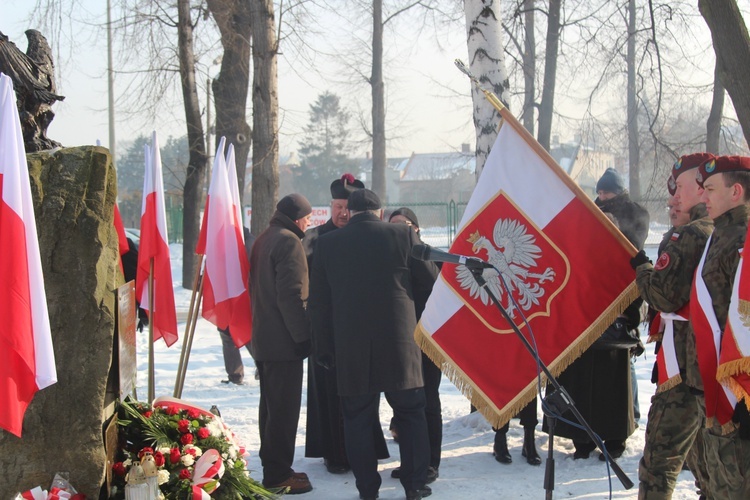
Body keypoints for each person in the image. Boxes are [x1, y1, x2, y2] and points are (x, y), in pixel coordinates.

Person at [309, 189, 437, 500]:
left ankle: (368, 489)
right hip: (399, 343)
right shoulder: (403, 236)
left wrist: (324, 350)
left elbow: (319, 305)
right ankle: (415, 484)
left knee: (357, 420)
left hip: (351, 348)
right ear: (379, 212)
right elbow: (430, 280)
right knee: (411, 415)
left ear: (349, 213)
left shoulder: (326, 244)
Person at [546, 168, 648, 460]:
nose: (602, 197)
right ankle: (583, 435)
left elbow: (632, 255)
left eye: (608, 193)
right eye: (600, 193)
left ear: (619, 191)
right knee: (582, 378)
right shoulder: (589, 211)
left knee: (618, 374)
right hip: (585, 310)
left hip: (618, 308)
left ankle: (620, 430)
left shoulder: (633, 214)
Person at [631, 154, 714, 499]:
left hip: (683, 367)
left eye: (680, 188)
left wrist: (642, 269)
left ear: (701, 188)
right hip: (709, 368)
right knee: (707, 467)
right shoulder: (722, 231)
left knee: (659, 464)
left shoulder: (689, 236)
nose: (672, 199)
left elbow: (663, 296)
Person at [303, 173, 389, 474]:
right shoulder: (313, 238)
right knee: (328, 393)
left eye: (346, 208)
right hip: (326, 331)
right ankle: (334, 453)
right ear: (330, 206)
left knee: (364, 396)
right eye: (337, 207)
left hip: (361, 332)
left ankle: (366, 451)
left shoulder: (368, 236)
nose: (342, 213)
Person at [691, 156, 750, 499]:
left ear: (736, 191)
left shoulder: (741, 239)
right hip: (711, 385)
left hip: (736, 395)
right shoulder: (720, 235)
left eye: (711, 189)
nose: (704, 197)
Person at [249, 194, 314, 494]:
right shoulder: (289, 242)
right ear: (299, 218)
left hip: (264, 339)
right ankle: (277, 475)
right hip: (283, 343)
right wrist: (302, 339)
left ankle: (275, 467)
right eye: (308, 217)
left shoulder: (266, 237)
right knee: (283, 412)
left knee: (272, 409)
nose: (310, 223)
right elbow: (292, 297)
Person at [387, 207, 443, 482]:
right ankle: (410, 462)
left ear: (416, 229)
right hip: (399, 341)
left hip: (427, 339)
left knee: (428, 401)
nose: (398, 230)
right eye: (393, 225)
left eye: (404, 225)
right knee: (404, 406)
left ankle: (431, 462)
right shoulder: (385, 256)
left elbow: (434, 284)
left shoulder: (426, 252)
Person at [220, 227, 255, 385]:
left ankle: (262, 366)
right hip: (228, 295)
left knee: (244, 333)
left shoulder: (248, 243)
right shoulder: (226, 240)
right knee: (227, 334)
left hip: (243, 296)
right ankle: (234, 374)